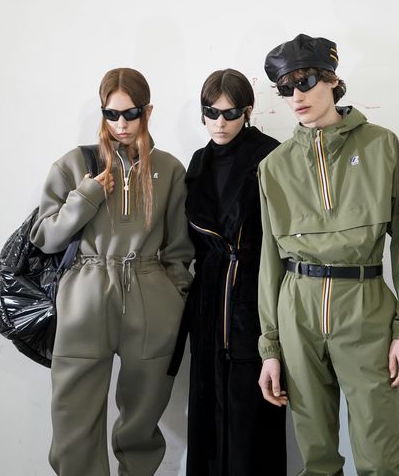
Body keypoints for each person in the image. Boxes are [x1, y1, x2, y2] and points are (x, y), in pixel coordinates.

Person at [256, 34, 399, 476]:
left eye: (306, 81)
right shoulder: (273, 166)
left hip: (365, 306)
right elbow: (269, 262)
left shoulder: (380, 145)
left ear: (331, 80)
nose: (297, 95)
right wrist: (270, 347)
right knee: (315, 454)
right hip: (298, 310)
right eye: (285, 87)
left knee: (379, 452)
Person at [30, 67, 193, 476]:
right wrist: (86, 195)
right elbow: (44, 237)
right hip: (85, 297)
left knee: (142, 420)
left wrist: (174, 293)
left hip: (151, 296)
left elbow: (179, 249)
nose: (121, 124)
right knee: (73, 418)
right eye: (112, 113)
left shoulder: (169, 169)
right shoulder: (74, 164)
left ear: (148, 110)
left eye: (131, 113)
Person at [168, 68, 286, 476]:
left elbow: (286, 235)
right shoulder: (197, 162)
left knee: (251, 419)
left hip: (255, 298)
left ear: (248, 111)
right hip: (207, 301)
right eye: (210, 112)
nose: (219, 122)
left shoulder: (272, 155)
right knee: (206, 416)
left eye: (230, 112)